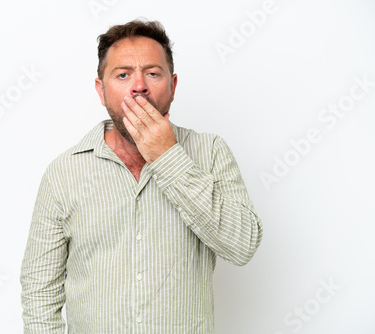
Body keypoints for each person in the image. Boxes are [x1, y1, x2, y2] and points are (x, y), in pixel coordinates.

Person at [20, 19, 263, 334]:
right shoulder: (64, 172)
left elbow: (242, 246)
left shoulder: (211, 152)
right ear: (101, 90)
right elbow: (40, 289)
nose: (138, 86)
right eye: (123, 75)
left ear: (172, 86)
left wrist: (166, 156)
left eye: (152, 73)